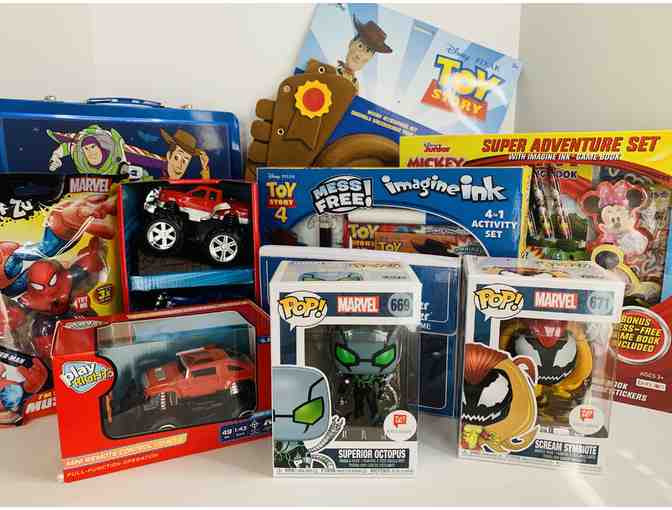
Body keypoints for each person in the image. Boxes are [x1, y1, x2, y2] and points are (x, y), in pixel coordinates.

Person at [337, 16, 393, 92]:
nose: (361, 54)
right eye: (360, 46)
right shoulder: (331, 72)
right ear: (351, 43)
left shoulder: (355, 86)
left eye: (368, 51)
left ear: (370, 59)